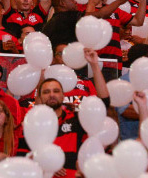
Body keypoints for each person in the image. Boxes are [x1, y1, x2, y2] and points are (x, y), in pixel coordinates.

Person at [35, 48, 109, 178]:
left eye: (56, 91)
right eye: (46, 92)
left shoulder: (76, 119)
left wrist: (94, 65)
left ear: (63, 95)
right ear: (39, 97)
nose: (51, 95)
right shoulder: (35, 124)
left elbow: (104, 103)